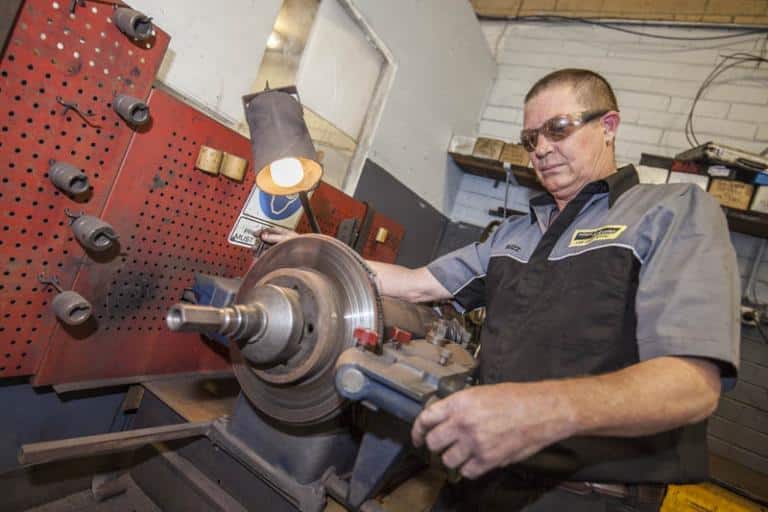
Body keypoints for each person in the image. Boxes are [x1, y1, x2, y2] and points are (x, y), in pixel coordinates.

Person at [260, 68, 740, 511]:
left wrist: (537, 412)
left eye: (558, 129)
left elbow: (692, 386)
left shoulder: (671, 212)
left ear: (608, 125)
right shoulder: (513, 235)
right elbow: (414, 284)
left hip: (587, 496)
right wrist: (313, 251)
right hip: (479, 477)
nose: (541, 150)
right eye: (531, 139)